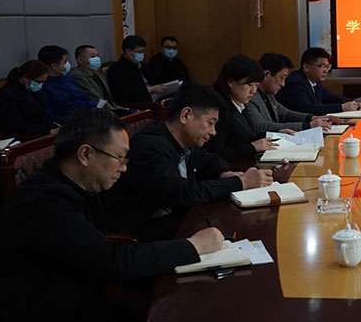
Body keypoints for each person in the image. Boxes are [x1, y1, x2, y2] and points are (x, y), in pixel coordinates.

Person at [0, 108, 224, 322]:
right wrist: (192, 247)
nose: (124, 167)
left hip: (83, 311)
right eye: (119, 157)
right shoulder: (44, 202)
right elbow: (114, 262)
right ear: (86, 154)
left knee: (185, 319)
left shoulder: (73, 187)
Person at [104, 84, 273, 240]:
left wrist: (226, 173)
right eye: (210, 123)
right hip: (142, 231)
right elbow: (181, 193)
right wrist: (239, 182)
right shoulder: (150, 147)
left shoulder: (184, 140)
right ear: (186, 115)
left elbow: (209, 159)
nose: (213, 132)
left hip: (177, 217)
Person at [203, 55, 280, 163]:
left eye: (256, 85)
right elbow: (217, 153)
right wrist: (252, 147)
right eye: (249, 85)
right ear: (231, 82)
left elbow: (247, 137)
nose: (253, 91)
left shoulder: (240, 103)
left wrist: (277, 133)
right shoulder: (219, 109)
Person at [246, 53, 336, 134]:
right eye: (282, 78)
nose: (283, 84)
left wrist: (311, 118)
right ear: (266, 74)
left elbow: (285, 114)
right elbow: (261, 126)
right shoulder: (249, 96)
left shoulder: (269, 94)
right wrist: (308, 125)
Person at [275, 47, 361, 115]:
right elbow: (308, 109)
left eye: (328, 66)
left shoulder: (315, 81)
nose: (326, 70)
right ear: (306, 67)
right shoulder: (295, 83)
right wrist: (342, 107)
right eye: (322, 66)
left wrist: (354, 103)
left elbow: (331, 98)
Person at [0, 60, 58, 137]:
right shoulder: (7, 96)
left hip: (39, 130)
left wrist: (55, 127)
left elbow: (41, 116)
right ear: (25, 78)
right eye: (39, 82)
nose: (41, 85)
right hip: (24, 136)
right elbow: (16, 126)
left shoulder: (29, 90)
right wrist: (48, 132)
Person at [35, 45, 96, 123]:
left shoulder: (67, 78)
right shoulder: (43, 87)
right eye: (65, 62)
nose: (68, 64)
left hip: (86, 115)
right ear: (54, 66)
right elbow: (49, 115)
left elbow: (83, 97)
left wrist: (95, 108)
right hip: (70, 122)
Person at [107, 35, 166, 105]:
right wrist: (149, 89)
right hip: (136, 103)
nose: (141, 54)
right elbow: (124, 94)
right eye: (138, 52)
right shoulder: (116, 69)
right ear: (128, 51)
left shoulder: (142, 66)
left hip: (153, 98)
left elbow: (153, 82)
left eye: (143, 51)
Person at [71, 45, 127, 113]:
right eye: (93, 56)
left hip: (109, 109)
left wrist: (119, 109)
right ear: (80, 60)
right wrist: (116, 111)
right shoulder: (78, 76)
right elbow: (94, 99)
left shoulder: (96, 74)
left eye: (98, 56)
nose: (97, 58)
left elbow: (108, 99)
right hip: (96, 112)